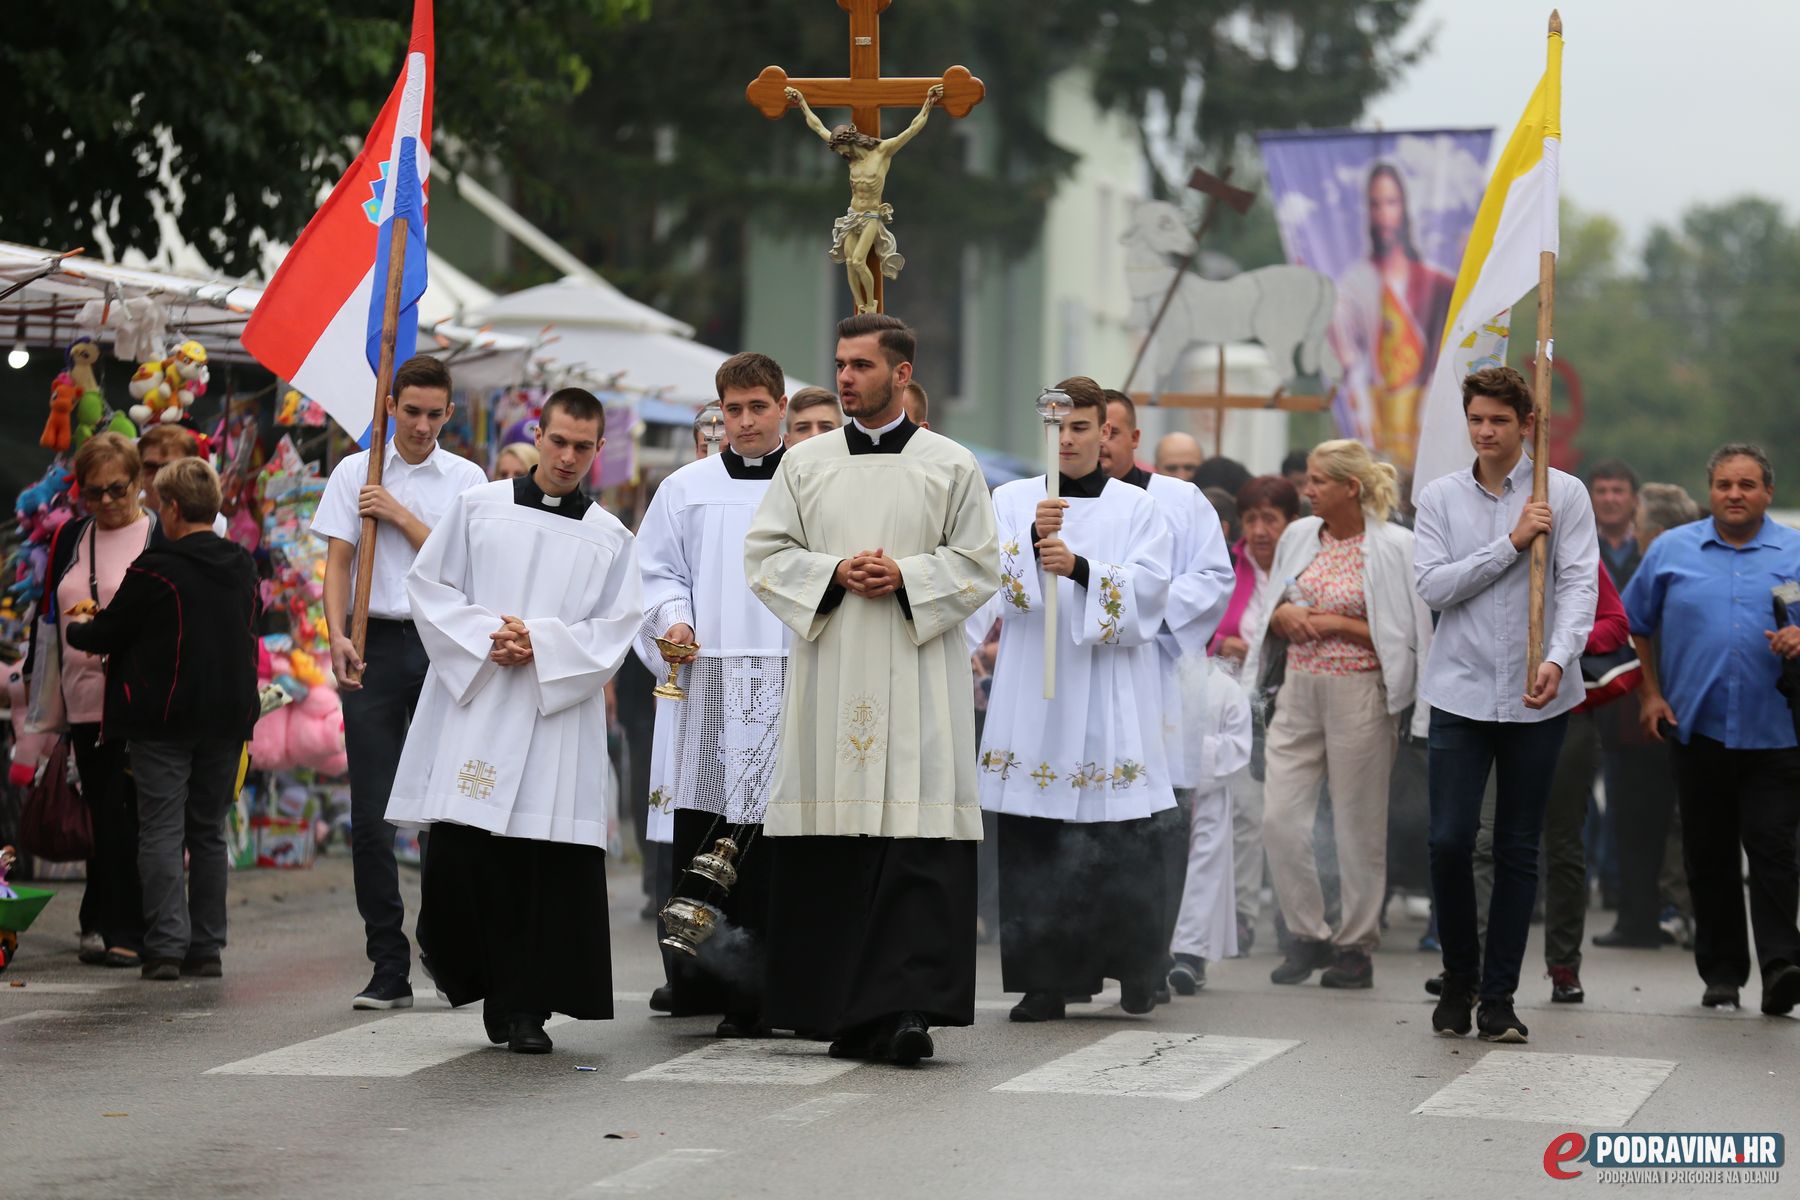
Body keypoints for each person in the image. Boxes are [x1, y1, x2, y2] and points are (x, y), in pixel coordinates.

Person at [744, 312, 999, 1066]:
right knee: (836, 848)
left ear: (902, 373)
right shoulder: (805, 463)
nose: (846, 377)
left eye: (861, 365)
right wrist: (831, 572)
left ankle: (905, 1008)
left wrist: (909, 576)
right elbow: (764, 554)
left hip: (918, 673)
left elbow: (981, 564)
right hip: (833, 669)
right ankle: (837, 1008)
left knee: (912, 847)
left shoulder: (952, 464)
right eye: (841, 364)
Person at [387, 388, 642, 1053]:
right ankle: (470, 973)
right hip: (479, 703)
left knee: (540, 866)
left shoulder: (611, 537)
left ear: (599, 450)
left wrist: (543, 644)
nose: (567, 457)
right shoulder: (479, 508)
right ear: (539, 431)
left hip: (553, 714)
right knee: (465, 861)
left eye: (582, 447)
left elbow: (617, 628)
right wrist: (485, 638)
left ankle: (524, 1007)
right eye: (558, 441)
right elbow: (428, 584)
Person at [974, 379, 1173, 1020]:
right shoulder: (1013, 500)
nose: (1069, 439)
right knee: (1036, 835)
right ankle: (1044, 980)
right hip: (1035, 684)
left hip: (1107, 686)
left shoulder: (1136, 508)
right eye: (1059, 427)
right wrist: (1032, 545)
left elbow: (1150, 594)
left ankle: (1136, 970)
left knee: (1118, 834)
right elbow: (990, 582)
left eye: (1083, 427)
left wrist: (1083, 569)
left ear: (1105, 431)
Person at [1413, 366, 1598, 1043]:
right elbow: (1434, 586)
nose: (1486, 431)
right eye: (1477, 420)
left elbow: (1579, 587)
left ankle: (1498, 996)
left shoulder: (1564, 494)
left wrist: (1557, 658)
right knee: (1450, 840)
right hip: (1460, 689)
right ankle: (1457, 976)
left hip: (1537, 693)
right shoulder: (1439, 497)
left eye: (1499, 420)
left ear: (1527, 425)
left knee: (1519, 848)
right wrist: (1512, 542)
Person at [313, 355, 487, 1010]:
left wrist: (400, 515)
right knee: (371, 816)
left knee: (443, 813)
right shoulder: (355, 472)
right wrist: (335, 634)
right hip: (374, 643)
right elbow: (337, 563)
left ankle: (446, 954)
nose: (420, 425)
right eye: (409, 411)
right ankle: (388, 965)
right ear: (390, 408)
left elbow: (463, 564)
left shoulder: (467, 479)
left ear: (448, 414)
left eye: (432, 414)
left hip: (443, 644)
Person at [634, 352, 791, 1036]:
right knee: (709, 828)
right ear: (718, 413)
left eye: (759, 406)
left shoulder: (811, 483)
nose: (747, 421)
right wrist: (675, 620)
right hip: (711, 682)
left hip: (792, 675)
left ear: (782, 406)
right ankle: (706, 981)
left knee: (778, 840)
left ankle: (776, 987)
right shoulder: (685, 487)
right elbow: (656, 572)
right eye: (734, 409)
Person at [64, 459, 259, 980]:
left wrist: (79, 626)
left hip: (162, 718)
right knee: (209, 833)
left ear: (171, 509)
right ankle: (207, 948)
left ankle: (167, 947)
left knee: (161, 831)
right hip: (226, 718)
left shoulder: (155, 568)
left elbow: (107, 633)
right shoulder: (241, 564)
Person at [1623, 444, 1800, 1016]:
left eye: (1747, 485)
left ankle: (1781, 967)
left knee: (1774, 851)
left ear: (1767, 492)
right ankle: (1722, 971)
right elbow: (1637, 624)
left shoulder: (1795, 551)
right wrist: (1650, 694)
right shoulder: (1673, 551)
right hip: (1696, 728)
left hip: (1777, 728)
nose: (1735, 494)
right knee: (1709, 852)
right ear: (1711, 491)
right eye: (1724, 484)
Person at [1260, 440, 1433, 990]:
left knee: (1358, 826)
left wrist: (1335, 624)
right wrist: (1285, 613)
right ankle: (1306, 932)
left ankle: (1355, 945)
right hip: (1298, 688)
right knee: (1279, 818)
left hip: (1360, 690)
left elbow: (1403, 637)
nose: (1306, 491)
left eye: (1317, 482)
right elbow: (1274, 603)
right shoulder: (1297, 537)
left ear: (1349, 488)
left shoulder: (1395, 547)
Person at [1098, 387, 1235, 996]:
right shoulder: (1054, 500)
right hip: (1091, 684)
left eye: (1111, 429)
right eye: (1086, 428)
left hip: (1156, 677)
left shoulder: (1180, 501)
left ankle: (1150, 959)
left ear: (1134, 438)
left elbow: (1212, 579)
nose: (1097, 441)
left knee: (1158, 826)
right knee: (1090, 825)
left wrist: (1138, 616)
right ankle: (1082, 957)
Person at [28, 433, 153, 967]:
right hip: (82, 701)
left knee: (138, 817)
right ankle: (106, 919)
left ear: (139, 482)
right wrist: (40, 702)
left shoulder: (158, 534)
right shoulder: (71, 537)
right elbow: (48, 621)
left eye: (116, 490)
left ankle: (129, 930)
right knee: (104, 813)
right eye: (92, 492)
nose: (104, 502)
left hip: (142, 699)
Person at [1210, 475, 1302, 950]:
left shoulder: (1306, 565)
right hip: (1239, 705)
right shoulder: (1228, 566)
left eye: (1271, 518)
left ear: (1291, 521)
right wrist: (1221, 644)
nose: (1261, 530)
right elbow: (1200, 625)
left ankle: (1296, 919)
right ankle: (1242, 915)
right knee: (1243, 815)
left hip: (1294, 703)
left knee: (1290, 819)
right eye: (1251, 519)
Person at [1330, 162, 1457, 461]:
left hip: (1426, 424)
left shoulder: (1436, 283)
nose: (1383, 215)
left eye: (1391, 202)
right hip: (1374, 429)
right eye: (1375, 205)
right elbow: (1347, 359)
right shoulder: (1353, 283)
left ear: (1403, 207)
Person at [137, 424, 228, 537]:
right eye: (150, 466)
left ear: (190, 469)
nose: (158, 475)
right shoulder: (126, 517)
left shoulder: (210, 521)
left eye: (168, 467)